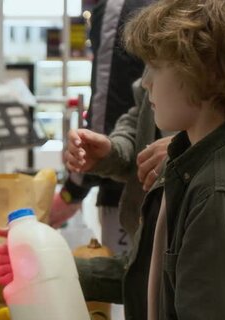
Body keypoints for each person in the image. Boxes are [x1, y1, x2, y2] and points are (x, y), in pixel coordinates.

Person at [0, 0, 225, 320]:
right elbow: (157, 279)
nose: (144, 82)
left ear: (203, 76)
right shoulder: (192, 167)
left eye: (156, 67)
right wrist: (53, 267)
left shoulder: (221, 196)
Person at [51, 0, 154, 256]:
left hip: (135, 193)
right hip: (153, 181)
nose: (149, 82)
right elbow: (134, 112)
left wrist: (72, 191)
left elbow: (109, 104)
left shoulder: (118, 9)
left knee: (134, 285)